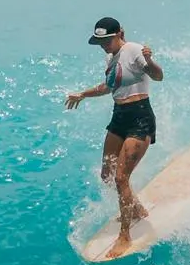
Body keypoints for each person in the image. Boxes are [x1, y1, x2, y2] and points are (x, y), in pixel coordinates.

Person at [65, 17, 165, 242]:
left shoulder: (135, 50)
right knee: (107, 175)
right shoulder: (111, 58)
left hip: (140, 118)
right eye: (100, 41)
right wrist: (83, 94)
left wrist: (149, 62)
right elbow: (109, 87)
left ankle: (124, 237)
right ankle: (138, 210)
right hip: (119, 117)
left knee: (121, 178)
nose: (104, 45)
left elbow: (158, 76)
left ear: (119, 34)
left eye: (107, 40)